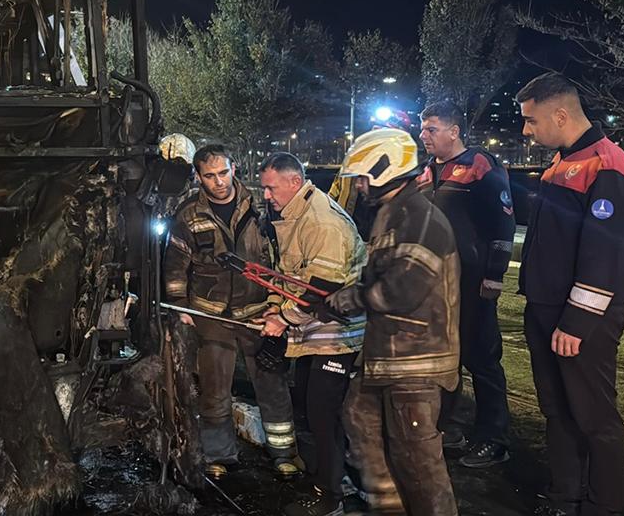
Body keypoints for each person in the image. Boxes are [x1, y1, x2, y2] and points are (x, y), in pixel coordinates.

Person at [515, 73, 624, 516]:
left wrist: (576, 322)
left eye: (531, 121)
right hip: (546, 309)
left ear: (560, 114)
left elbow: (603, 257)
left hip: (582, 318)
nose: (526, 131)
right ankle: (565, 497)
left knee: (594, 418)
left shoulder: (607, 166)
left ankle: (603, 505)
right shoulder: (563, 161)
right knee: (557, 411)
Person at [325, 129, 460, 516]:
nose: (360, 186)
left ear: (384, 170)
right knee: (358, 415)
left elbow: (403, 288)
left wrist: (353, 298)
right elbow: (381, 275)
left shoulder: (418, 217)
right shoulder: (393, 214)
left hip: (416, 362)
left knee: (419, 464)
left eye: (363, 177)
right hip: (388, 355)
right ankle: (390, 506)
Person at [162, 144, 299, 478]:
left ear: (234, 168)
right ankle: (219, 456)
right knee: (214, 389)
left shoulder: (261, 206)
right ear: (198, 177)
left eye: (223, 173)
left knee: (271, 385)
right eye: (209, 176)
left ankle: (284, 453)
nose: (218, 181)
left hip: (258, 312)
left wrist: (278, 307)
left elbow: (279, 257)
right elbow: (176, 267)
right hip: (212, 316)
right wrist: (180, 307)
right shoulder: (188, 215)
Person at [257, 153, 366, 516]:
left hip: (337, 330)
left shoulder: (321, 221)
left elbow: (323, 286)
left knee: (322, 410)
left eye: (271, 188)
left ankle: (331, 496)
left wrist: (282, 320)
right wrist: (274, 306)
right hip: (316, 329)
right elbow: (286, 272)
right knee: (311, 403)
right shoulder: (294, 214)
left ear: (293, 182)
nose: (267, 196)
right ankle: (337, 479)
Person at [417, 101, 515, 467]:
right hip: (435, 286)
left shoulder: (480, 166)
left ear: (454, 131)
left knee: (482, 361)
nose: (423, 135)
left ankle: (494, 439)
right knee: (445, 360)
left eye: (431, 129)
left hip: (473, 283)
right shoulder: (426, 172)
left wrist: (495, 274)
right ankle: (451, 430)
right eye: (423, 128)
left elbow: (504, 224)